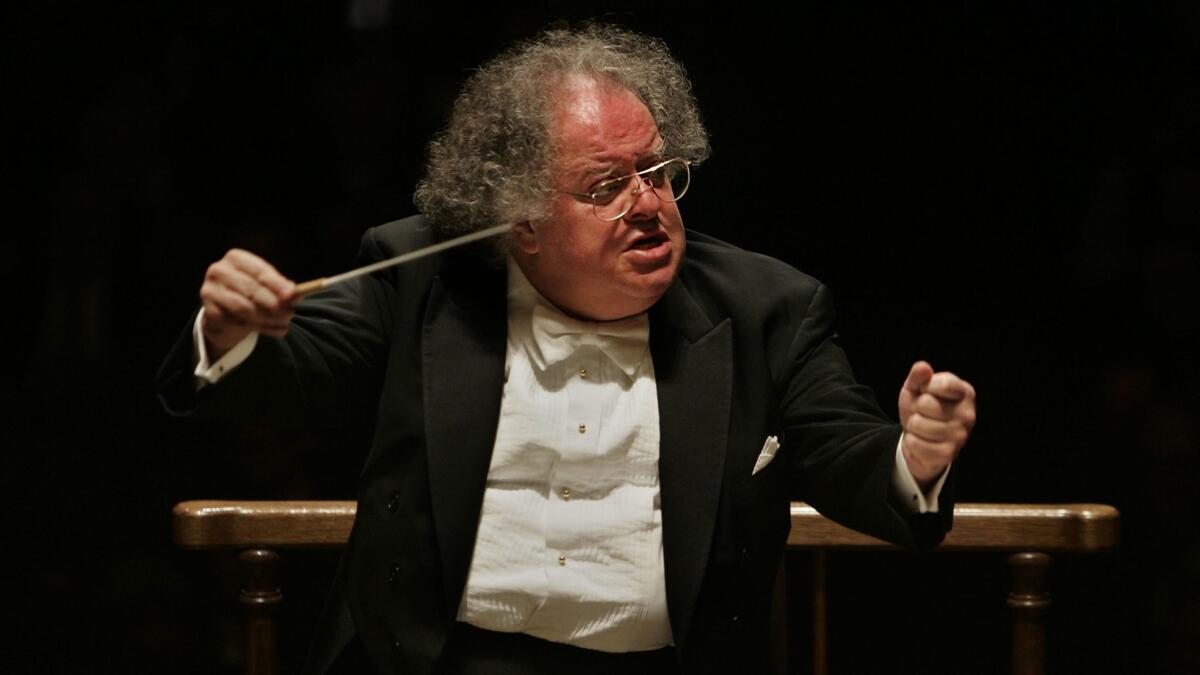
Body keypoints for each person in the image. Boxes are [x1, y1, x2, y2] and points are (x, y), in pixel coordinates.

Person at [157, 24, 976, 675]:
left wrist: (917, 453)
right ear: (518, 218)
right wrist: (227, 332)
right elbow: (288, 388)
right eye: (605, 185)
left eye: (657, 171)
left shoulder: (769, 307)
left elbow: (857, 464)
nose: (648, 203)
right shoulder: (421, 277)